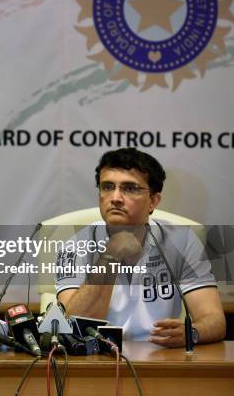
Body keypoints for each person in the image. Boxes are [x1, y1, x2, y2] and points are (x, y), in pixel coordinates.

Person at [56, 148, 225, 347]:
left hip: (160, 358)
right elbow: (74, 327)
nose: (116, 197)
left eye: (129, 188)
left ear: (153, 201)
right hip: (98, 360)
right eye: (107, 187)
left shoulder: (182, 240)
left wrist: (191, 334)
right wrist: (110, 255)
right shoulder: (75, 245)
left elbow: (214, 320)